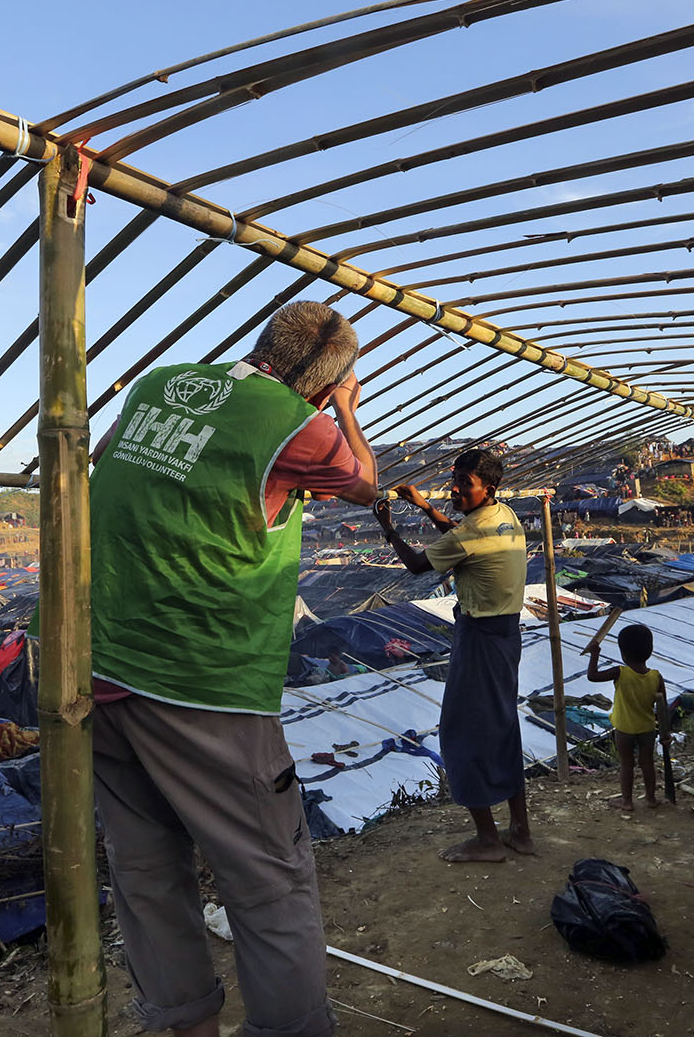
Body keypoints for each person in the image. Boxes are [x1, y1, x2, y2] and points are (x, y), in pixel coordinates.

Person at [83, 301, 377, 1037]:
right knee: (268, 875)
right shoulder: (297, 423)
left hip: (99, 661)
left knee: (147, 874)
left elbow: (105, 457)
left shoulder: (162, 383)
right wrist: (343, 407)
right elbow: (365, 482)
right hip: (201, 678)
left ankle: (184, 1024)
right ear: (322, 382)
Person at [373, 450, 532, 863]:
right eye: (455, 480)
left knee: (460, 733)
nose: (455, 489)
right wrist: (424, 506)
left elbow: (415, 565)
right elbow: (460, 534)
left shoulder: (471, 534)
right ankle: (520, 828)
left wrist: (389, 529)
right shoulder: (504, 515)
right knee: (502, 725)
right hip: (506, 634)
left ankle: (487, 840)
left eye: (465, 483)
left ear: (488, 489)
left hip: (479, 638)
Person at [583, 622, 667, 812]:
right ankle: (651, 798)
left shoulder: (620, 672)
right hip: (646, 728)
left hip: (624, 729)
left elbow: (592, 676)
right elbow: (662, 708)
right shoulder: (656, 676)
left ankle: (627, 801)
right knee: (647, 763)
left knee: (626, 764)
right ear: (650, 650)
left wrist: (595, 654)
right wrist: (665, 734)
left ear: (623, 653)